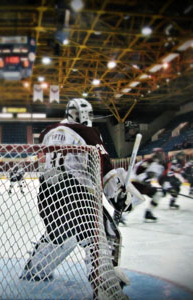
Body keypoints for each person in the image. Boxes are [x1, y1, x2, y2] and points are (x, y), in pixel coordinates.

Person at [19, 99, 142, 299]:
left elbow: (42, 159)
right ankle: (106, 286)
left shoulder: (47, 132)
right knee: (106, 235)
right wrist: (117, 196)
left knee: (60, 235)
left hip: (47, 194)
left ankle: (34, 271)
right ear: (83, 114)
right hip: (76, 193)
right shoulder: (87, 133)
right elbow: (103, 167)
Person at [130, 148, 167, 222]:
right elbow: (137, 171)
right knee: (137, 200)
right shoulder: (148, 161)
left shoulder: (162, 166)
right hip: (137, 183)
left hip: (147, 185)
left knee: (158, 194)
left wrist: (163, 187)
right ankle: (121, 216)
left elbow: (160, 178)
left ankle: (148, 212)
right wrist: (146, 179)